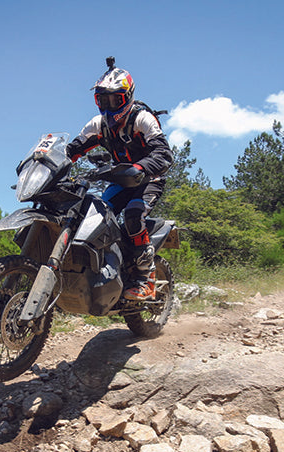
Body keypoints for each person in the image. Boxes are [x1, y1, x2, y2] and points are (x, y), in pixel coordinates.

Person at [66, 59, 173, 301]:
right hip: (120, 180)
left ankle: (146, 278)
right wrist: (45, 164)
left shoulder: (142, 119)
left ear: (128, 97)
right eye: (104, 100)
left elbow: (164, 153)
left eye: (116, 99)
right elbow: (72, 150)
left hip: (148, 179)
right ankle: (107, 269)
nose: (110, 105)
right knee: (96, 217)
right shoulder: (98, 125)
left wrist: (140, 167)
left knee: (134, 215)